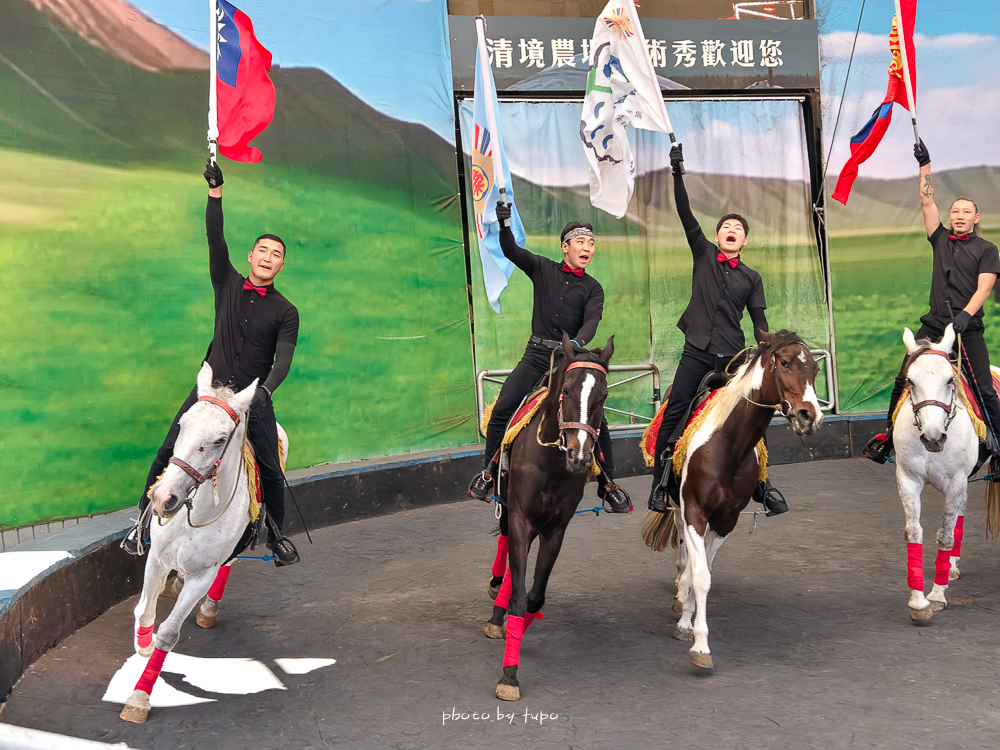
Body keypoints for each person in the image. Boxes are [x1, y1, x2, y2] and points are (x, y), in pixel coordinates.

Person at [121, 160, 301, 565]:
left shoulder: (286, 311)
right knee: (168, 449)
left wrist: (264, 393)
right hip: (209, 391)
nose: (268, 258)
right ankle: (141, 525)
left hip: (250, 398)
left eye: (277, 255)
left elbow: (284, 358)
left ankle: (275, 533)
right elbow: (213, 233)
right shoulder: (226, 280)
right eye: (263, 251)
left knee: (271, 468)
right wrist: (215, 193)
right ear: (251, 255)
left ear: (281, 265)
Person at [648, 144, 787, 516]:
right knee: (676, 410)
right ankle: (659, 485)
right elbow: (684, 211)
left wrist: (771, 344)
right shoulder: (704, 253)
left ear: (744, 241)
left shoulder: (752, 278)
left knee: (750, 416)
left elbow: (759, 325)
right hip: (696, 351)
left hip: (731, 359)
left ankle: (763, 486)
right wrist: (677, 173)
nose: (731, 230)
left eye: (738, 229)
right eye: (726, 226)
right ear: (717, 235)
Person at [467, 202, 632, 514]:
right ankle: (488, 472)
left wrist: (576, 345)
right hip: (536, 355)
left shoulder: (593, 288)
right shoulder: (542, 267)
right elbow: (511, 251)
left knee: (598, 419)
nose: (587, 248)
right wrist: (503, 225)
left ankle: (608, 483)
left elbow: (592, 322)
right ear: (565, 246)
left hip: (569, 359)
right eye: (581, 242)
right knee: (503, 406)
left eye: (591, 243)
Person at [864, 140, 1000, 463]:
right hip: (934, 326)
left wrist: (965, 317)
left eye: (966, 212)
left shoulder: (987, 250)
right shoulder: (939, 238)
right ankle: (888, 440)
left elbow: (983, 289)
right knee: (903, 380)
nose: (959, 216)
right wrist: (924, 164)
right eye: (955, 211)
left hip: (968, 328)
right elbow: (927, 200)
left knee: (984, 387)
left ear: (976, 217)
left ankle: (999, 444)